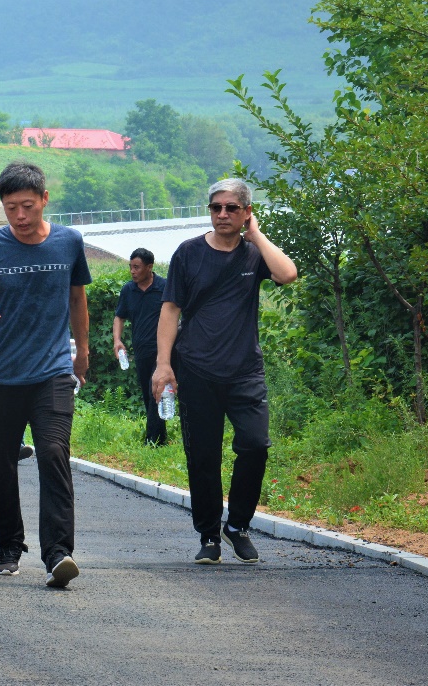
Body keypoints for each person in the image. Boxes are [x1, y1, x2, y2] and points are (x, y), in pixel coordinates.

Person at [0, 161, 90, 589]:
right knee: (6, 465)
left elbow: (77, 299)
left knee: (53, 454)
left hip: (51, 373)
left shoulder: (69, 242)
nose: (20, 216)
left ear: (45, 200)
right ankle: (10, 546)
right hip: (1, 376)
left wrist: (82, 352)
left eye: (28, 206)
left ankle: (58, 554)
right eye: (11, 207)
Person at [151, 178, 297, 565]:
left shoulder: (253, 255)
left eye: (232, 208)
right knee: (203, 456)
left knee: (255, 444)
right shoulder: (188, 253)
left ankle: (238, 526)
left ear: (246, 212)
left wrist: (258, 235)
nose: (222, 215)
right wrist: (163, 364)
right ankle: (210, 535)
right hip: (196, 368)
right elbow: (170, 309)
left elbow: (287, 274)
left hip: (245, 370)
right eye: (216, 208)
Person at [113, 248, 168, 445]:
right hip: (141, 350)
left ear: (149, 267)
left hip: (164, 351)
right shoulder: (129, 290)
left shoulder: (164, 287)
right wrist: (117, 340)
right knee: (148, 394)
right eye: (131, 267)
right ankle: (161, 436)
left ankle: (152, 440)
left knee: (157, 390)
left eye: (136, 267)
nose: (132, 271)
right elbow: (119, 316)